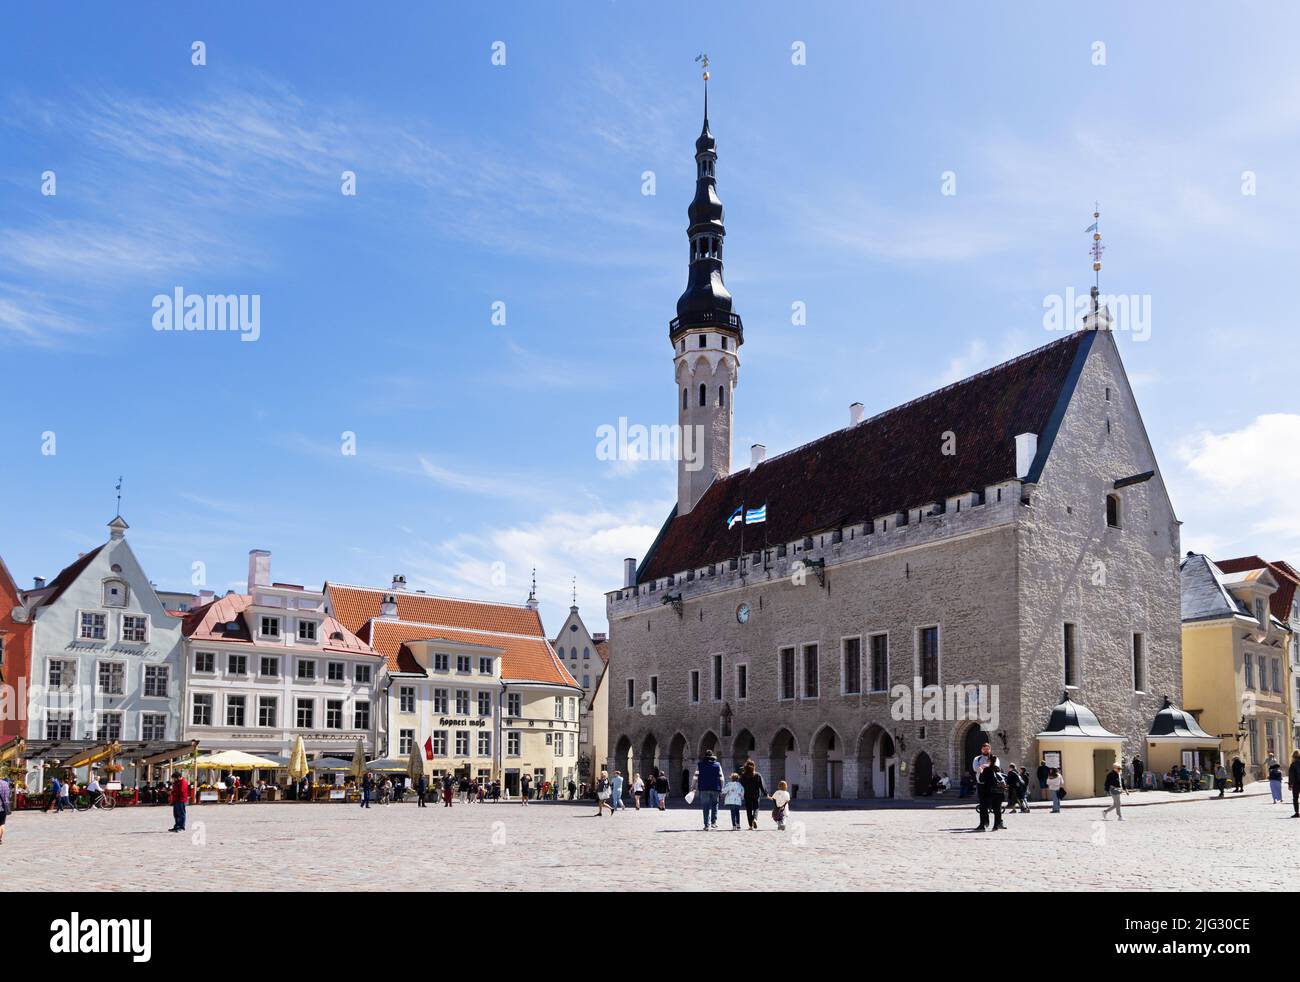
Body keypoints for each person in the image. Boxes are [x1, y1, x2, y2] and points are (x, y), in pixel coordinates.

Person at [694, 750, 723, 831]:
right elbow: (722, 778)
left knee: (705, 806)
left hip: (704, 788)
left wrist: (693, 786)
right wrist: (722, 788)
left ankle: (706, 825)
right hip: (715, 788)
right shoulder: (718, 765)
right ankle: (713, 823)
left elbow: (695, 777)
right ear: (712, 756)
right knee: (715, 805)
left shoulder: (699, 765)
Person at [977, 753, 1006, 831]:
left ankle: (983, 824)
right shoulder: (998, 770)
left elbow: (981, 780)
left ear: (989, 761)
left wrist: (981, 771)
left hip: (988, 792)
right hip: (998, 792)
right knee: (997, 809)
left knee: (983, 808)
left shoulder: (986, 769)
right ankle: (996, 826)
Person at [1288, 750, 1300, 818]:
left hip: (1296, 784)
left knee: (1295, 798)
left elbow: (1291, 775)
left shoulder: (1293, 764)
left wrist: (1290, 785)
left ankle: (1297, 813)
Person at [0, 774, 10, 844]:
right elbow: (9, 795)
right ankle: (0, 839)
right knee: (2, 823)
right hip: (3, 806)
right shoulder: (5, 783)